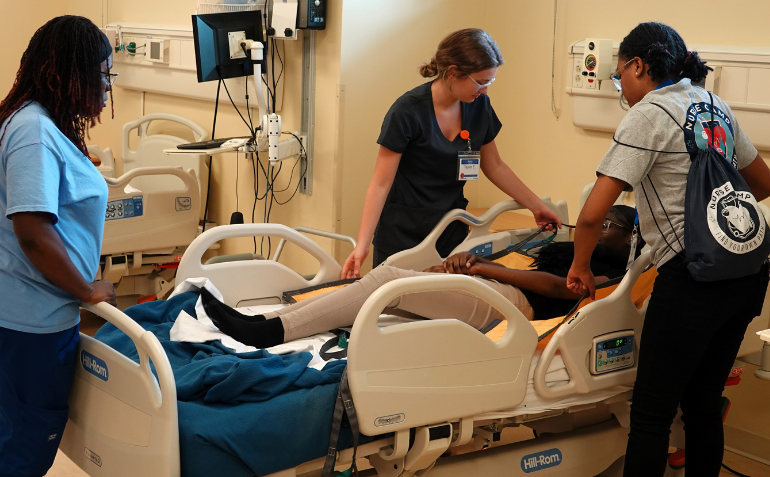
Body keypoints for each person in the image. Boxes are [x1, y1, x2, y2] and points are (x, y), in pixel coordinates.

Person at [566, 22, 770, 477]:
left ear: (639, 65)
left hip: (694, 280)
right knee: (702, 404)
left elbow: (591, 214)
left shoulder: (649, 113)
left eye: (620, 76)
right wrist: (714, 218)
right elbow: (764, 184)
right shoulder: (714, 104)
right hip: (748, 273)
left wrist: (580, 265)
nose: (622, 88)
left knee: (653, 413)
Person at [201, 206, 641, 349]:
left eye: (609, 226)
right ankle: (269, 320)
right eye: (597, 222)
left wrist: (482, 268)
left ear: (630, 239)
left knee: (388, 280)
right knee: (395, 280)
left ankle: (271, 331)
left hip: (513, 307)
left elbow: (556, 288)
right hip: (495, 290)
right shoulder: (577, 250)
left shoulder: (615, 273)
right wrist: (459, 265)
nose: (598, 230)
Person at [341, 28, 562, 279]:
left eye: (490, 82)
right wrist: (361, 245)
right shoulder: (407, 111)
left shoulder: (479, 106)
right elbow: (381, 183)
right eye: (480, 82)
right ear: (453, 72)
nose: (485, 90)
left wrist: (537, 207)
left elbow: (495, 166)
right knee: (394, 308)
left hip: (450, 231)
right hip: (402, 232)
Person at [0, 16, 117, 477]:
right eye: (102, 75)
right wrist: (87, 291)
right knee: (24, 451)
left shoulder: (33, 119)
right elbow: (33, 233)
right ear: (73, 74)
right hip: (33, 324)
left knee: (15, 438)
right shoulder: (34, 131)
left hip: (27, 316)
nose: (107, 87)